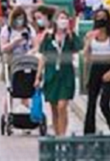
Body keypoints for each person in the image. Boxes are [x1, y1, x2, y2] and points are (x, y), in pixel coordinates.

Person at [35, 8, 77, 137]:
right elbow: (43, 57)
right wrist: (38, 76)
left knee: (62, 106)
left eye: (65, 18)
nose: (62, 21)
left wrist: (70, 33)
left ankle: (63, 135)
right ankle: (57, 134)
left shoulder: (70, 37)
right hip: (51, 75)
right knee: (54, 108)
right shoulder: (48, 37)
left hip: (66, 75)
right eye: (60, 18)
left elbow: (78, 49)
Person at [82, 7, 110, 134]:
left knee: (104, 102)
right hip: (96, 67)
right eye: (98, 17)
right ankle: (89, 131)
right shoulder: (90, 35)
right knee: (91, 102)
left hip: (109, 67)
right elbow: (85, 55)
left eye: (103, 17)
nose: (101, 20)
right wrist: (89, 42)